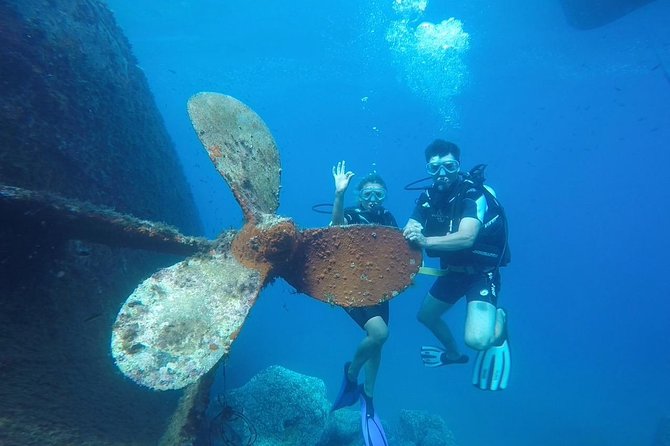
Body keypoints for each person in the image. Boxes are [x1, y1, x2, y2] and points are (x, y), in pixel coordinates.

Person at [403, 139, 511, 391]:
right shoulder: (428, 198)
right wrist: (411, 229)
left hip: (482, 274)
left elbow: (467, 236)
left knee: (477, 341)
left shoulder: (473, 194)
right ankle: (452, 355)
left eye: (449, 166)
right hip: (453, 271)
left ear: (458, 166)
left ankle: (500, 323)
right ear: (428, 169)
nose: (442, 174)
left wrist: (425, 239)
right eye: (434, 168)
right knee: (426, 316)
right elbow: (412, 226)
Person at [329, 160, 394, 445]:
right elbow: (335, 229)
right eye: (367, 194)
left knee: (376, 342)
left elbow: (399, 253)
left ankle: (368, 395)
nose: (372, 200)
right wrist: (339, 194)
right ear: (359, 195)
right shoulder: (352, 214)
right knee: (380, 333)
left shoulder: (389, 220)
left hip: (379, 290)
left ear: (385, 197)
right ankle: (351, 372)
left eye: (378, 195)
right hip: (350, 287)